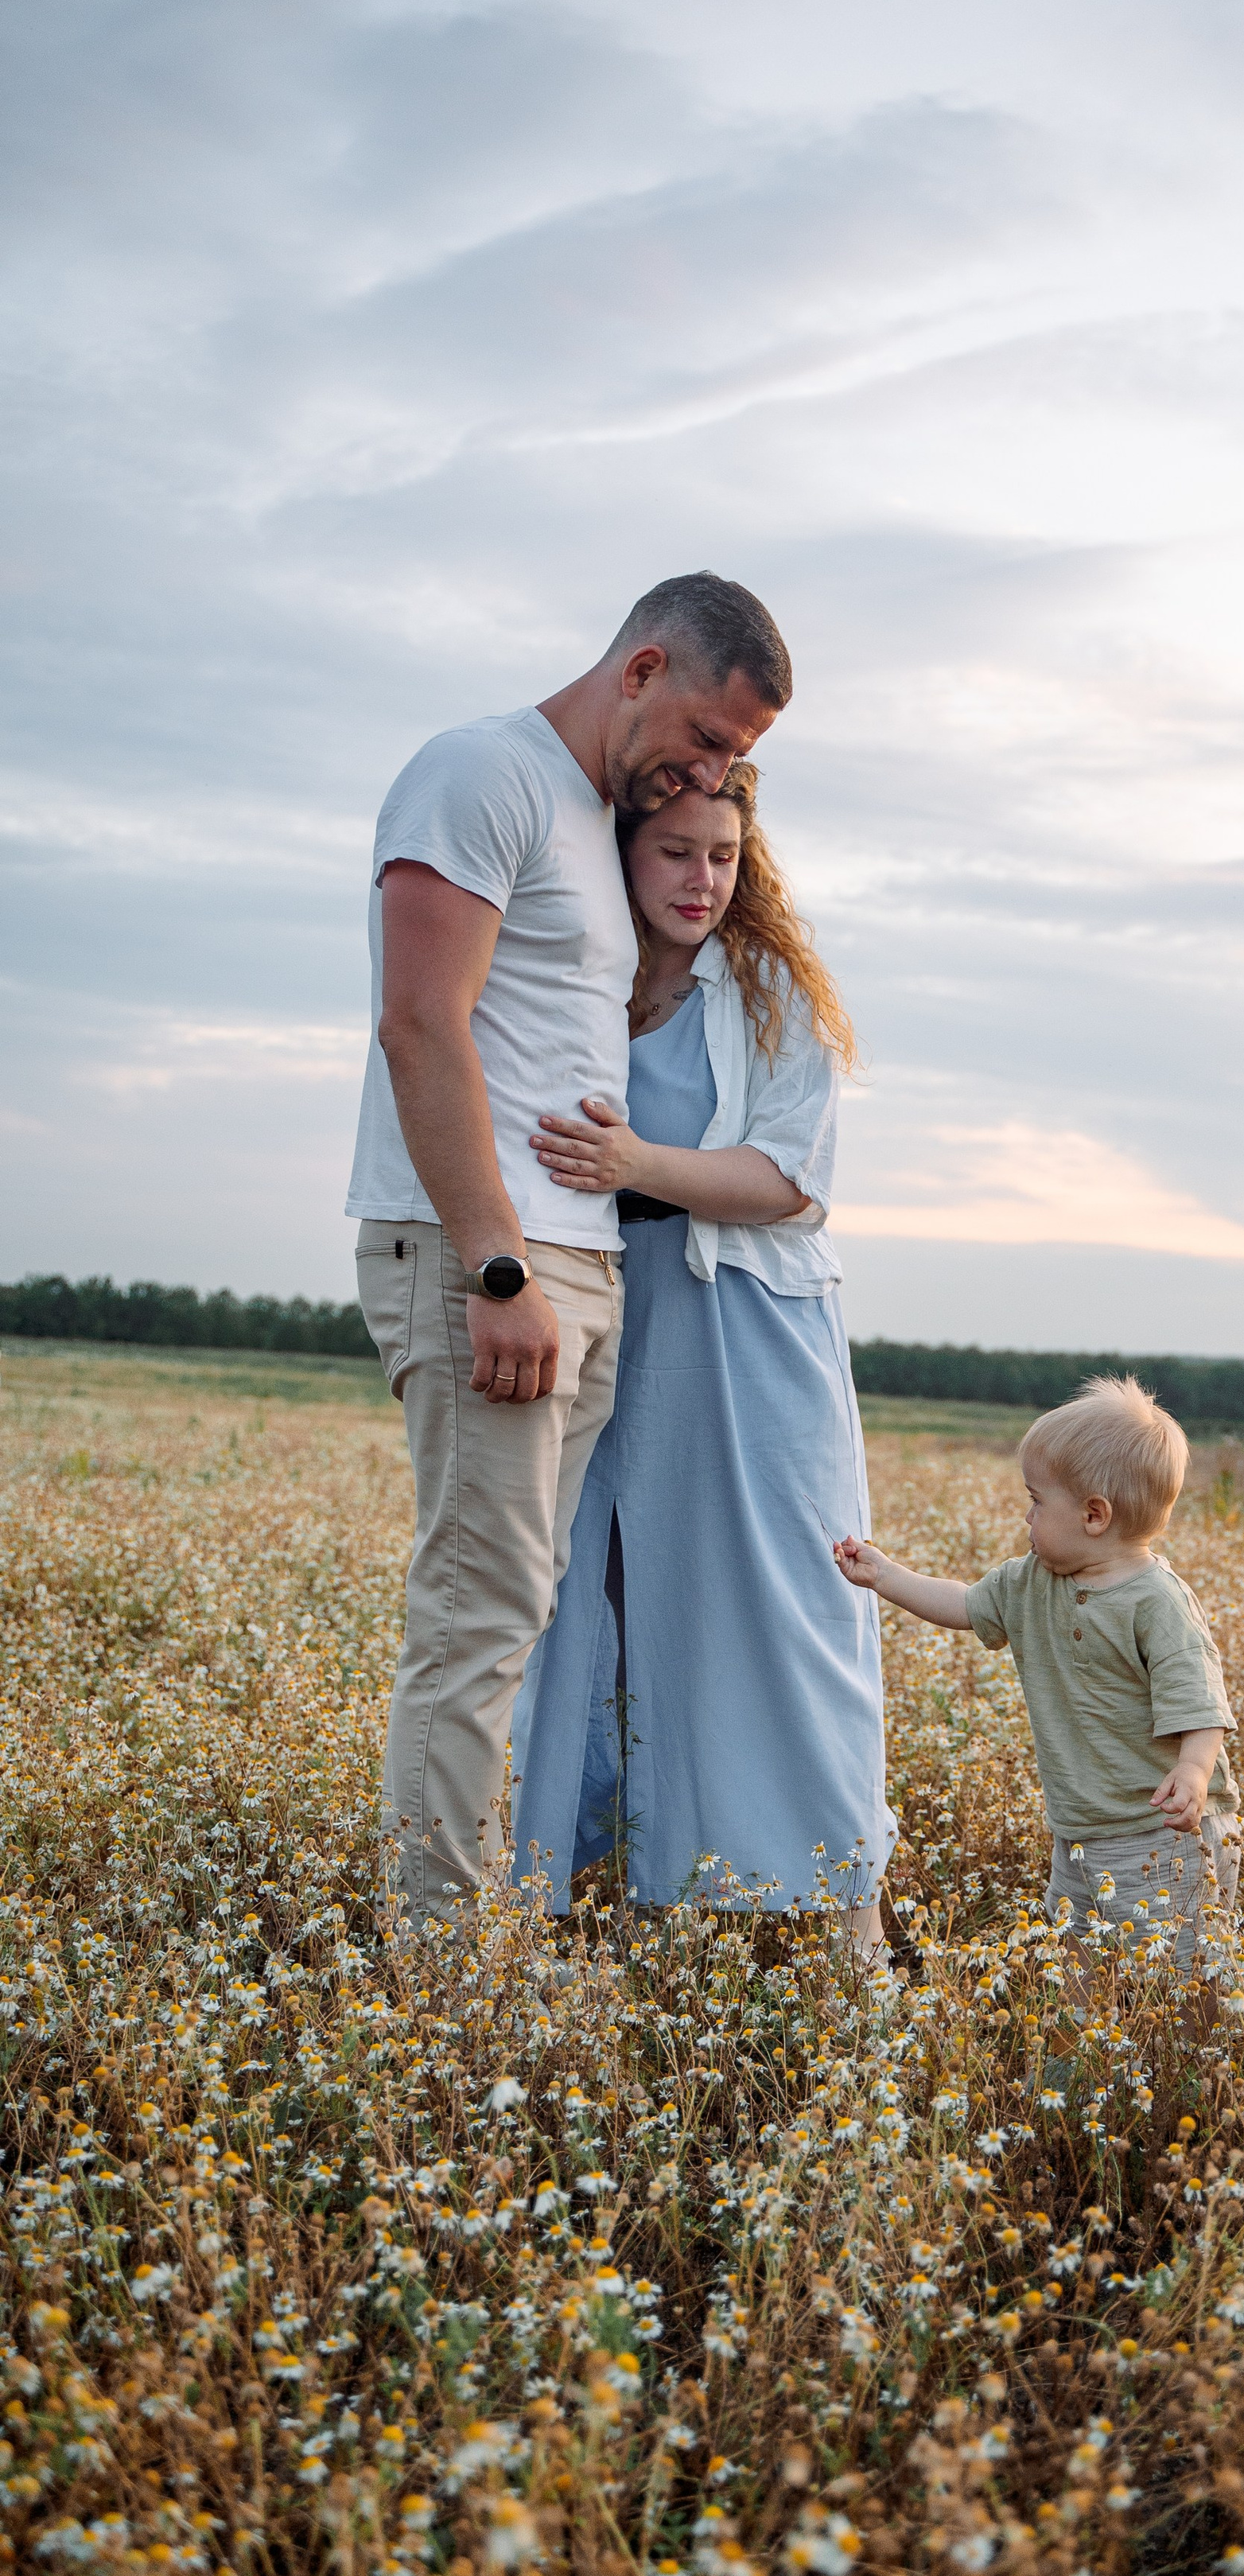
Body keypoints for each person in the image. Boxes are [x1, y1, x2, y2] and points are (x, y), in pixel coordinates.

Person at [347, 572, 792, 1938]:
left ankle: (470, 1923)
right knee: (479, 1616)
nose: (712, 776)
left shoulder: (599, 823)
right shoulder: (479, 774)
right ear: (644, 666)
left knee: (521, 1613)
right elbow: (422, 1026)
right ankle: (436, 1970)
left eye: (737, 762)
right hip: (487, 1255)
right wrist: (496, 1270)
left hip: (577, 1261)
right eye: (710, 741)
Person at [506, 757, 892, 1951]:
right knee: (593, 1603)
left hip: (746, 1335)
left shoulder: (773, 988)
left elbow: (789, 1183)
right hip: (606, 1317)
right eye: (676, 852)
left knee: (787, 1610)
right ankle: (621, 1900)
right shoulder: (581, 981)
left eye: (723, 855)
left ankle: (850, 1919)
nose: (703, 879)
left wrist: (637, 1169)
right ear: (622, 850)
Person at [834, 1376, 1239, 1969]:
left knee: (1183, 1971)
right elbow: (965, 1605)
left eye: (1037, 1500)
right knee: (1071, 1958)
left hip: (1164, 1835)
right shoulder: (1030, 1581)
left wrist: (1194, 1770)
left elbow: (1200, 1699)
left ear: (1094, 1515)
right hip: (1079, 1830)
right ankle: (1070, 2060)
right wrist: (885, 1576)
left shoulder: (1158, 1602)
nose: (1027, 1516)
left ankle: (1194, 2059)